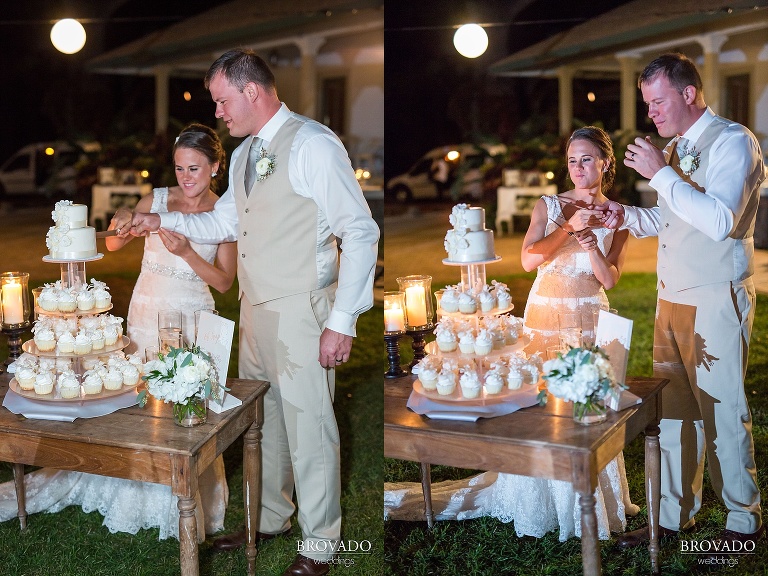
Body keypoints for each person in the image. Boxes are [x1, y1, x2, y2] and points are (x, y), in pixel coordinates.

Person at [116, 49, 379, 576]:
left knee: (311, 424)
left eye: (221, 100)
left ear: (252, 92)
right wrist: (155, 220)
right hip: (254, 308)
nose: (217, 112)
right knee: (265, 419)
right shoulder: (239, 157)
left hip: (303, 307)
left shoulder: (313, 144)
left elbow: (360, 231)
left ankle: (322, 546)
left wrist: (341, 320)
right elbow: (223, 227)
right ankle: (270, 517)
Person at [385, 127, 637, 541]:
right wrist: (570, 227)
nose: (578, 167)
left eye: (587, 159)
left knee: (585, 406)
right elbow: (526, 260)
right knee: (537, 405)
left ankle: (587, 506)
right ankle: (536, 504)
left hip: (589, 316)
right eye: (572, 159)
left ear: (606, 163)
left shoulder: (619, 215)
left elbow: (608, 278)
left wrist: (591, 244)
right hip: (543, 312)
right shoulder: (550, 205)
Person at [0, 123, 236, 540]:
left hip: (193, 316)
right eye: (180, 167)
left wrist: (186, 252)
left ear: (216, 166)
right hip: (147, 311)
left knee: (186, 406)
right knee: (137, 401)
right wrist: (124, 218)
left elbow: (223, 282)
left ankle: (181, 496)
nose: (185, 177)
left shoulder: (224, 212)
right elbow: (111, 245)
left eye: (195, 168)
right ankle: (131, 486)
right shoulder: (157, 200)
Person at [597, 53, 765, 550]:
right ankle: (674, 516)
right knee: (673, 413)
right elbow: (666, 221)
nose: (650, 111)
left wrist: (659, 173)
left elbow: (719, 221)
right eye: (646, 102)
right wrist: (621, 214)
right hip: (669, 300)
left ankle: (743, 521)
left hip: (715, 297)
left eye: (657, 100)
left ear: (688, 94)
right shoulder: (672, 149)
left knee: (722, 409)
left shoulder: (734, 142)